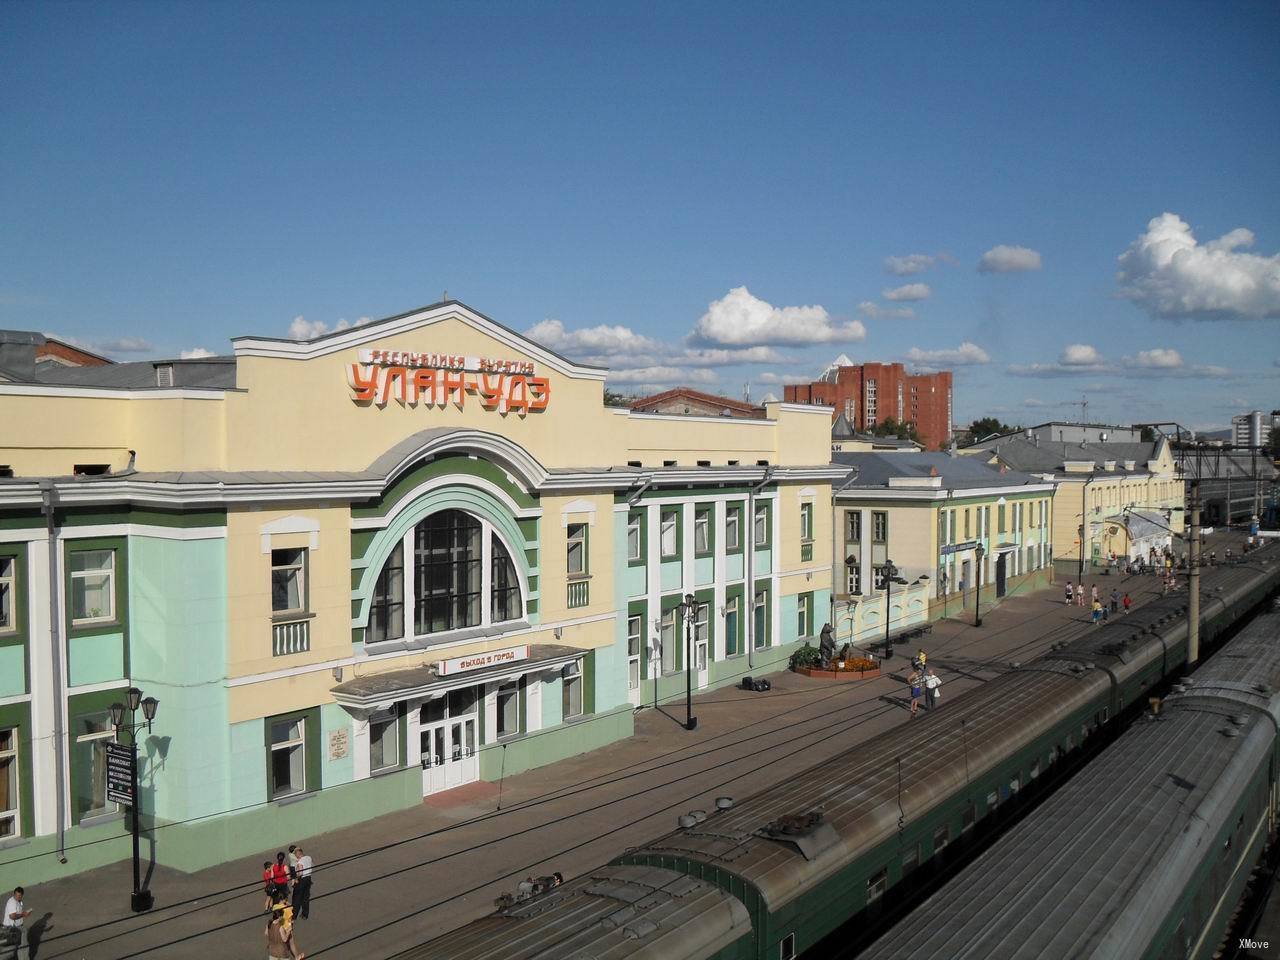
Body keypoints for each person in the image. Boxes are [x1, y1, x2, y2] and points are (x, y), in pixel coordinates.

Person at [3, 887, 31, 958]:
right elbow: (12, 916)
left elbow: (17, 913)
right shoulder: (12, 902)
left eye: (19, 896)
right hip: (11, 928)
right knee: (23, 944)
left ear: (22, 895)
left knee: (17, 946)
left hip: (16, 927)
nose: (18, 897)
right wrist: (23, 914)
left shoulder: (19, 901)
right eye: (16, 895)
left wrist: (24, 914)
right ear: (14, 894)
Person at [292, 846, 313, 921]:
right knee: (306, 897)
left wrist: (296, 878)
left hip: (302, 879)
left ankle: (294, 916)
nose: (295, 856)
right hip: (308, 878)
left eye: (295, 854)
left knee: (298, 898)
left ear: (298, 854)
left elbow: (300, 873)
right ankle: (305, 914)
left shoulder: (300, 862)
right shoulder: (309, 857)